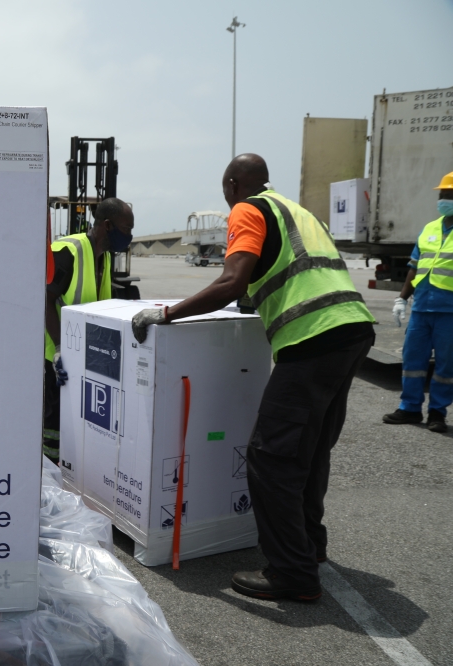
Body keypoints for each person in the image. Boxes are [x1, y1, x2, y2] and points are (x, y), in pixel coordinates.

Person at [131, 154, 375, 602]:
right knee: (310, 447)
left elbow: (232, 280)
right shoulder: (295, 210)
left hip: (312, 338)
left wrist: (166, 313)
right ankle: (311, 546)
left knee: (271, 458)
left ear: (232, 183)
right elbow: (289, 272)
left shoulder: (247, 209)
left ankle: (292, 573)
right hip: (351, 331)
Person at [44, 198, 134, 462]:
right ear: (108, 225)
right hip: (55, 359)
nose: (129, 235)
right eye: (127, 228)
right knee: (54, 425)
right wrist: (60, 350)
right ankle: (49, 479)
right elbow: (45, 300)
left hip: (82, 360)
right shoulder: (68, 251)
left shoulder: (103, 259)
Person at [384, 172, 453, 433]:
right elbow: (414, 267)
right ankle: (410, 408)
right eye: (442, 195)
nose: (444, 199)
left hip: (450, 310)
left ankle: (437, 412)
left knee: (446, 366)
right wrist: (401, 299)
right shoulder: (430, 228)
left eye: (449, 195)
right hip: (422, 307)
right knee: (412, 359)